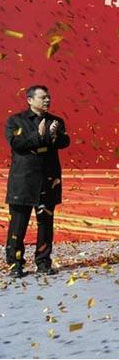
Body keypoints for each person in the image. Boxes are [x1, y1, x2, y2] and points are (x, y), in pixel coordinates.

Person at [4, 85, 70, 278]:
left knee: (45, 224)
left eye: (48, 97)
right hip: (23, 181)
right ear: (30, 100)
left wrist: (54, 136)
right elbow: (17, 144)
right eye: (43, 97)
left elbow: (65, 142)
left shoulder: (56, 121)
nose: (47, 100)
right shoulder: (16, 121)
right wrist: (38, 136)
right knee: (18, 225)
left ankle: (43, 262)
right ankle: (15, 264)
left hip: (48, 181)